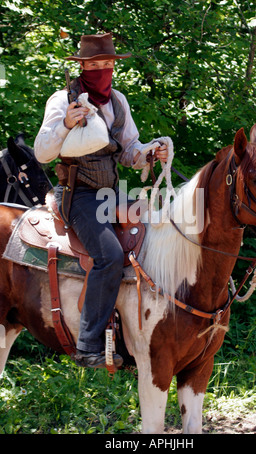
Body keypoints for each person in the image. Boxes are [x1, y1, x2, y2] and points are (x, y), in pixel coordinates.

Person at [34, 33, 168, 368]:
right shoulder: (62, 100)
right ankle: (88, 344)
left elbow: (129, 152)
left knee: (161, 234)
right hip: (77, 195)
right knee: (108, 255)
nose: (102, 70)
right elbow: (42, 153)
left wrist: (149, 153)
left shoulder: (117, 101)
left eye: (107, 64)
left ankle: (144, 333)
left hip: (111, 193)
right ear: (82, 66)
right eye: (95, 65)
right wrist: (66, 123)